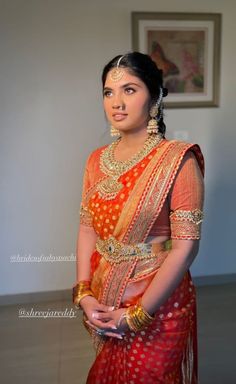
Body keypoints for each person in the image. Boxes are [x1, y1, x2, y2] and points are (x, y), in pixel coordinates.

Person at [73, 52, 204, 384]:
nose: (117, 102)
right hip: (104, 295)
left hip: (159, 303)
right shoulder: (95, 160)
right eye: (108, 92)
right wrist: (84, 294)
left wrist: (137, 315)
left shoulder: (178, 160)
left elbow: (185, 249)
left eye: (129, 90)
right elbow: (87, 229)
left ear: (154, 96)